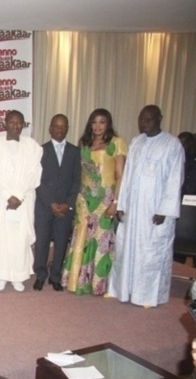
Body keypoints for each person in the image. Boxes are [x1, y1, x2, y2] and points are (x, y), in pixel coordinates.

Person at [108, 105, 184, 307]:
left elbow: (175, 179)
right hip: (133, 210)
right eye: (141, 119)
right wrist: (121, 203)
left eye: (148, 119)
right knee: (127, 250)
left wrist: (164, 210)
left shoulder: (172, 144)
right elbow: (127, 176)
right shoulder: (137, 142)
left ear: (159, 118)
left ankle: (149, 296)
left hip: (154, 211)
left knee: (151, 253)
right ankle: (123, 289)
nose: (144, 123)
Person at [62, 108, 126, 296]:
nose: (97, 126)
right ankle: (78, 281)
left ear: (108, 124)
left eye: (102, 122)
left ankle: (98, 284)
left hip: (105, 199)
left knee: (101, 240)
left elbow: (120, 175)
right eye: (94, 122)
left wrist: (116, 202)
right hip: (85, 198)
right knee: (81, 237)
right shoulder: (84, 143)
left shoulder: (116, 143)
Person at [0, 111, 42, 291]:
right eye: (12, 122)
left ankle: (18, 276)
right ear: (5, 124)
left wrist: (19, 195)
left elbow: (34, 174)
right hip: (2, 201)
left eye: (19, 123)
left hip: (23, 201)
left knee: (20, 239)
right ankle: (1, 275)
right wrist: (7, 196)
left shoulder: (32, 147)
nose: (15, 126)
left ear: (23, 125)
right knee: (2, 238)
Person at [33, 115, 81, 291]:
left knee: (61, 242)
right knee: (42, 242)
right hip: (45, 206)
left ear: (67, 129)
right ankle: (40, 275)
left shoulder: (75, 152)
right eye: (56, 126)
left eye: (63, 126)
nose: (59, 129)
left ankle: (55, 276)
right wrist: (51, 203)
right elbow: (37, 180)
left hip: (65, 208)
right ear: (50, 129)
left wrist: (68, 204)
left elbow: (76, 180)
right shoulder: (40, 150)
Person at [179, 132, 196, 196]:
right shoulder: (180, 158)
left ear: (191, 142)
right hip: (182, 195)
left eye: (183, 144)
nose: (181, 147)